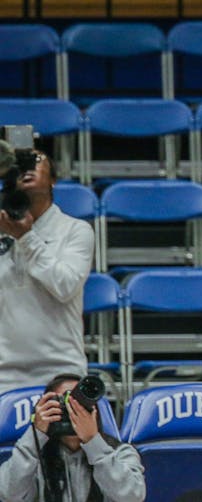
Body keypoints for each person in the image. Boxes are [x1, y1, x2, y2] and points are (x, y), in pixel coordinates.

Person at [0, 148, 95, 395]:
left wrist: (26, 238)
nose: (27, 167)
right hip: (4, 374)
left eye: (36, 160)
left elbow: (64, 286)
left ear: (53, 179)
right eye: (19, 164)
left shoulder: (75, 230)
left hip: (61, 371)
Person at [0, 373, 146, 502]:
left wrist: (93, 442)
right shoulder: (35, 457)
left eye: (79, 404)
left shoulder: (119, 452)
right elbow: (9, 494)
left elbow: (133, 497)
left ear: (94, 410)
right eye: (64, 403)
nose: (71, 411)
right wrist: (35, 434)